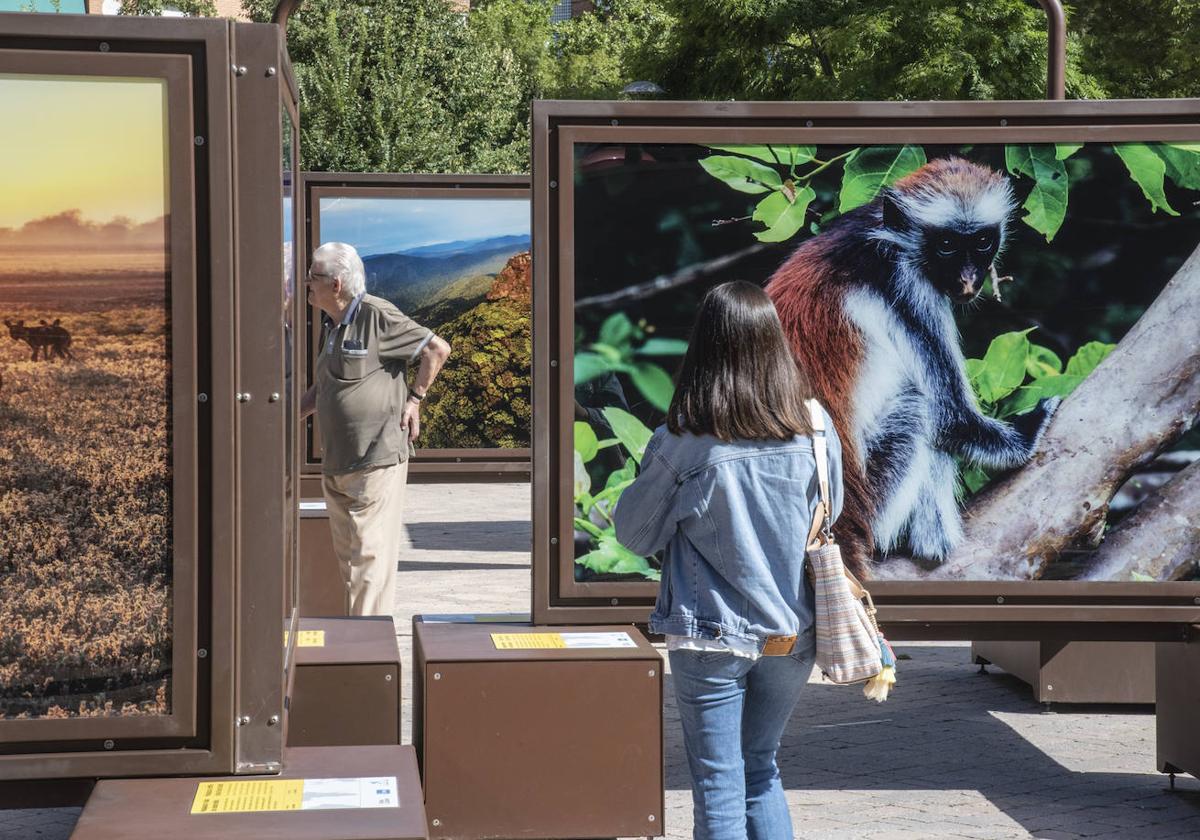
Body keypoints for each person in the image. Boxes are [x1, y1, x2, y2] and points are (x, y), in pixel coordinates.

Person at [613, 281, 843, 840]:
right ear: (775, 342)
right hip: (792, 632)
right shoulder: (816, 427)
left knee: (719, 784)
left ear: (704, 347)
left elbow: (635, 535)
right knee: (761, 769)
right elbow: (829, 509)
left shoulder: (686, 441)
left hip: (711, 634)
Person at [301, 242, 451, 616]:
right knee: (350, 565)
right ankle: (360, 646)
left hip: (377, 460)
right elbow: (326, 388)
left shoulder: (376, 315)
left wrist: (415, 399)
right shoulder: (331, 325)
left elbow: (437, 349)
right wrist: (282, 419)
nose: (306, 282)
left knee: (369, 561)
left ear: (335, 284)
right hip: (338, 464)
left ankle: (367, 652)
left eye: (312, 276)